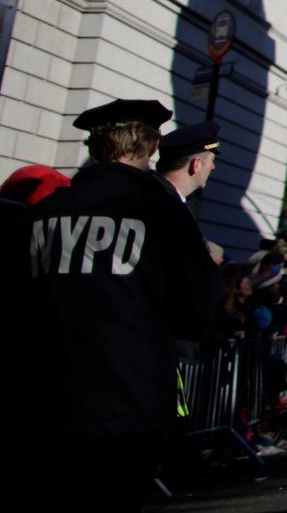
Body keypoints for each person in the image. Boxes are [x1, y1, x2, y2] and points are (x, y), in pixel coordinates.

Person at [20, 98, 223, 507]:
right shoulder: (162, 212)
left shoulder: (42, 214)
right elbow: (198, 307)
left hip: (48, 397)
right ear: (153, 147)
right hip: (130, 402)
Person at [154, 121, 219, 210]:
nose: (213, 167)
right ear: (197, 164)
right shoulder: (169, 209)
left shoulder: (146, 192)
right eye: (212, 160)